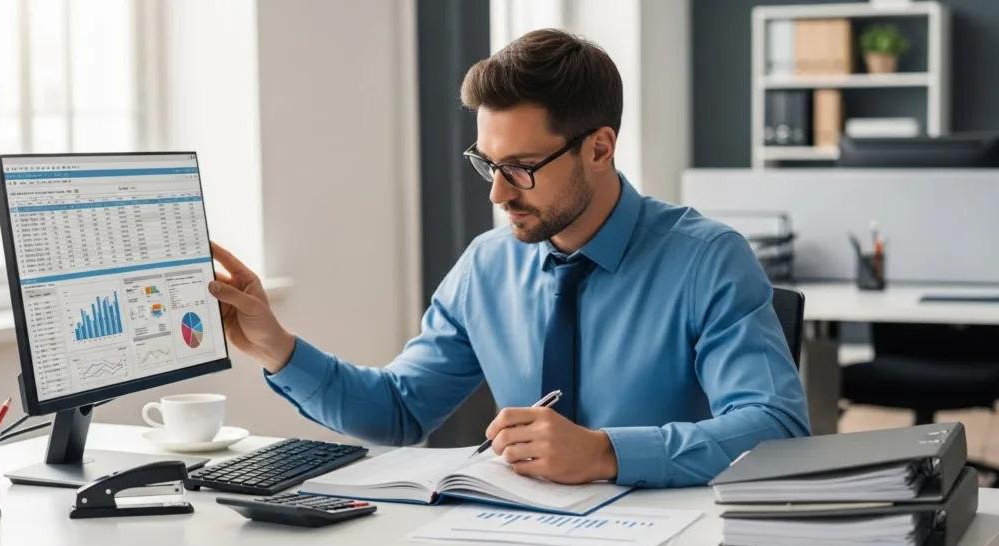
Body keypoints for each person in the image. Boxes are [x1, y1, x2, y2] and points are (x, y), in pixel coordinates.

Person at [208, 28, 811, 489]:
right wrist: (278, 349)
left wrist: (606, 452)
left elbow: (775, 428)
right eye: (488, 165)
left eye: (521, 168)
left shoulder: (707, 260)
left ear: (599, 148)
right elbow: (399, 411)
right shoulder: (487, 266)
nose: (497, 193)